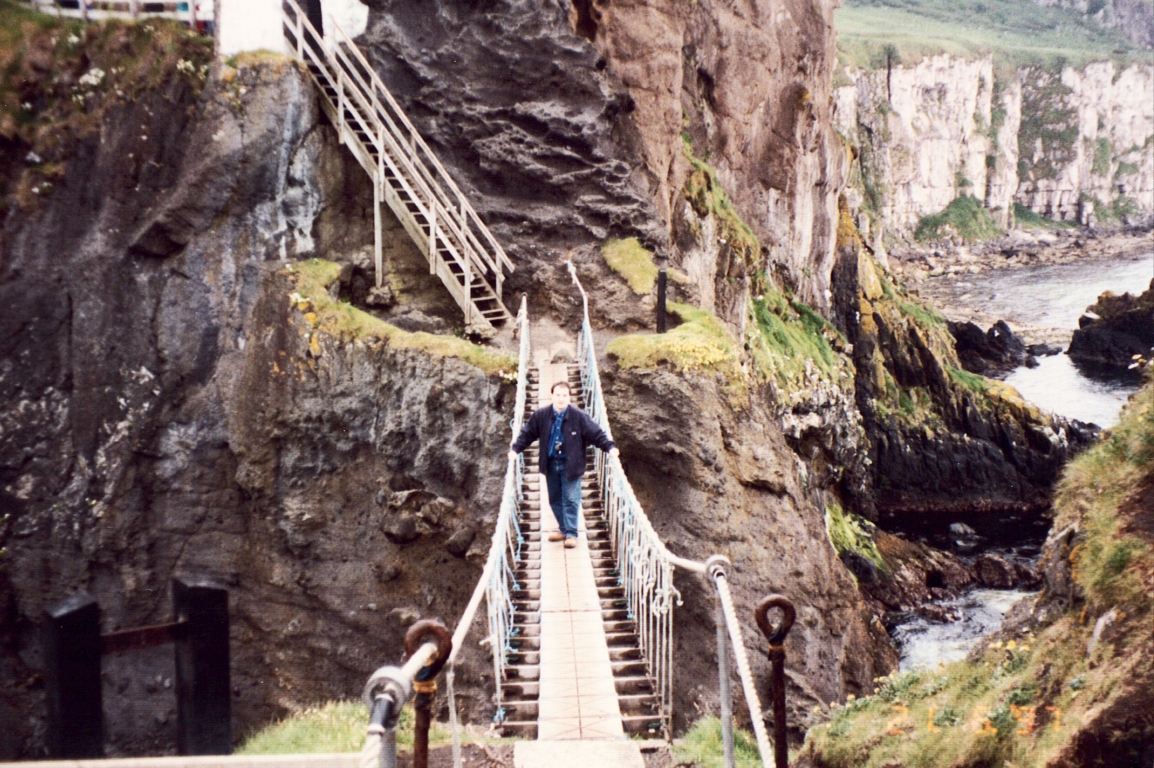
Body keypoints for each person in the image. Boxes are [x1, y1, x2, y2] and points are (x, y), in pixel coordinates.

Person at [509, 381, 618, 549]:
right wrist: (515, 450)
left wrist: (610, 447)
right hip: (551, 463)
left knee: (571, 499)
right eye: (558, 395)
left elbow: (596, 433)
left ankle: (571, 534)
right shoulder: (541, 415)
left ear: (570, 397)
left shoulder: (579, 416)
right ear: (551, 395)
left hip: (571, 464)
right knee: (555, 499)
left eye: (564, 395)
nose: (561, 399)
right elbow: (527, 434)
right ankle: (563, 529)